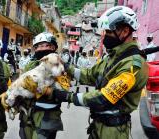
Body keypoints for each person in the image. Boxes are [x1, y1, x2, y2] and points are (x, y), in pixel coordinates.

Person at [52, 6, 148, 139]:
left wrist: (68, 96)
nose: (105, 36)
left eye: (109, 32)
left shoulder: (133, 65)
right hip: (98, 126)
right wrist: (66, 66)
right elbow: (89, 75)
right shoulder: (112, 56)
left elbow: (104, 98)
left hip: (113, 132)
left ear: (125, 31)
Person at [17, 32, 68, 139]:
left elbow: (63, 89)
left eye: (45, 45)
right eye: (38, 46)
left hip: (47, 118)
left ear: (53, 47)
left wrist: (40, 87)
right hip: (27, 115)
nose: (42, 48)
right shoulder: (30, 65)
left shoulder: (59, 66)